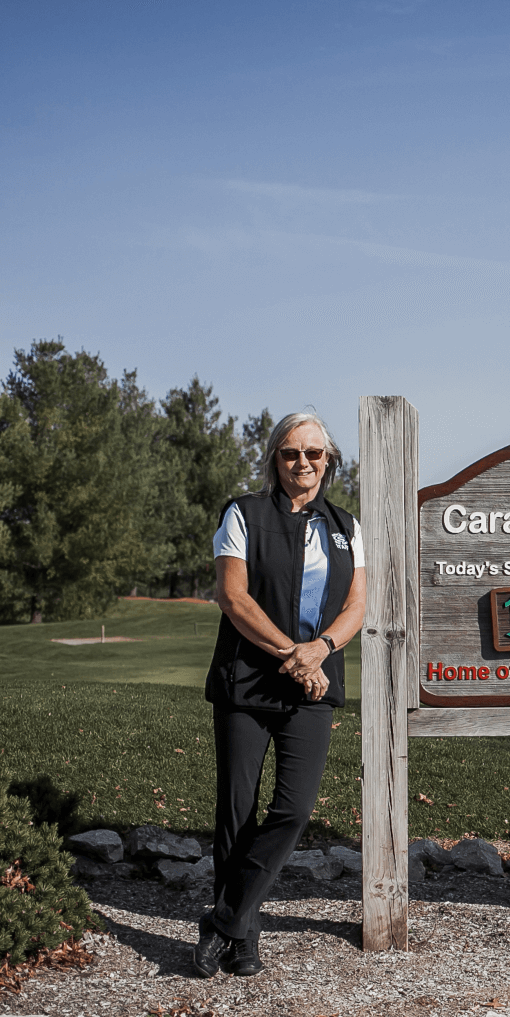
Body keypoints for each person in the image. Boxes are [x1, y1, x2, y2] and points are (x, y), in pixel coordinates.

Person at [193, 412, 366, 977]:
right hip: (248, 679)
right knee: (237, 814)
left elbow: (356, 608)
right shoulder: (244, 514)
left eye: (315, 454)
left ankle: (224, 919)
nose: (303, 463)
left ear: (329, 461)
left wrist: (320, 649)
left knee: (293, 810)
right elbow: (233, 596)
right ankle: (243, 939)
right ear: (274, 458)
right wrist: (295, 655)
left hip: (314, 683)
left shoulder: (347, 526)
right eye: (291, 452)